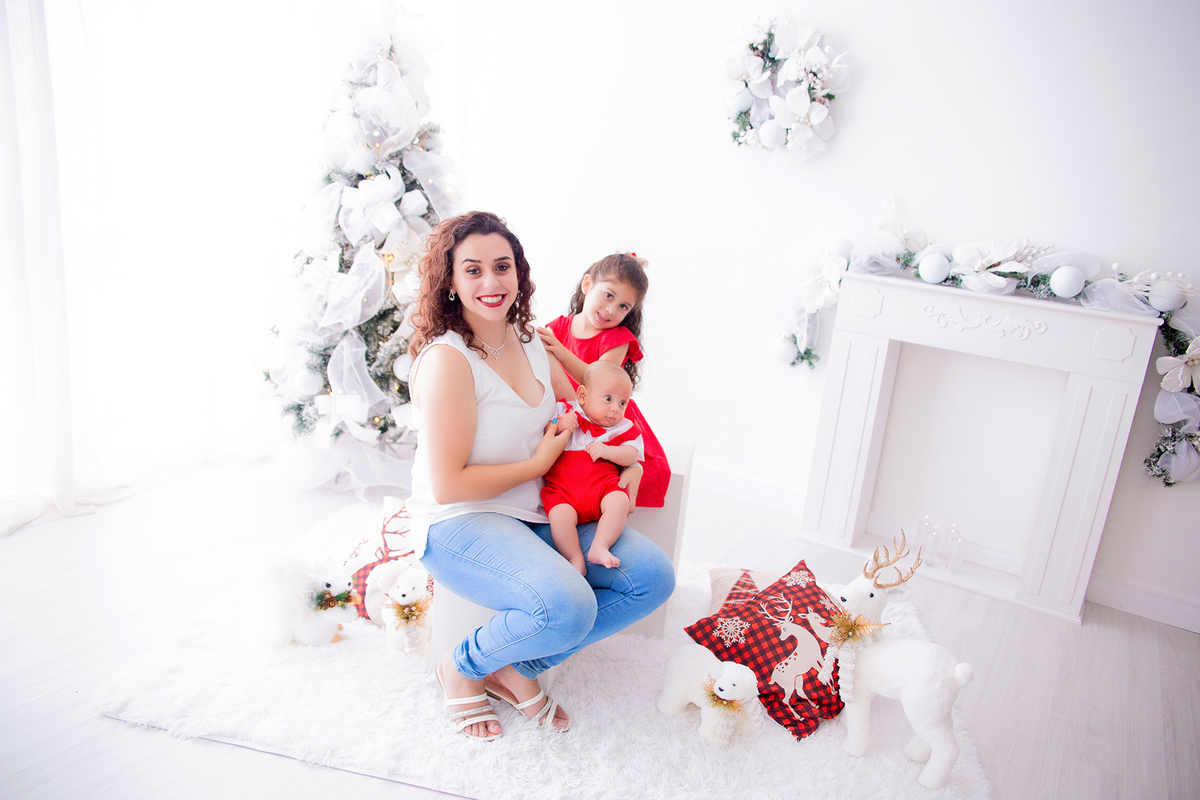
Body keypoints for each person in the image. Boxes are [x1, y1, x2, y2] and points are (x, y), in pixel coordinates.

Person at [404, 212, 675, 742]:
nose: (491, 282)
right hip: (462, 520)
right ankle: (463, 667)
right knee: (569, 607)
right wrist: (537, 464)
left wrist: (626, 457)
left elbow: (583, 405)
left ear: (519, 273)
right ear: (451, 282)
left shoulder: (530, 339)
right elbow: (449, 485)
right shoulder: (448, 361)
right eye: (473, 270)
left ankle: (515, 668)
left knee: (652, 578)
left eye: (502, 267)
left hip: (538, 508)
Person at [536, 252, 671, 508]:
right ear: (588, 285)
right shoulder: (559, 327)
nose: (611, 310)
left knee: (609, 471)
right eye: (609, 295)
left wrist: (562, 354)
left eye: (623, 306)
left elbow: (598, 381)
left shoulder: (617, 339)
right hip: (572, 413)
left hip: (604, 413)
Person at [543, 361, 643, 575]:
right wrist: (560, 424)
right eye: (608, 399)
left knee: (620, 500)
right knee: (559, 516)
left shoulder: (621, 428)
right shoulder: (566, 410)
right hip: (564, 493)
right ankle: (574, 557)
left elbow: (632, 454)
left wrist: (609, 451)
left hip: (602, 490)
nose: (616, 408)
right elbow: (546, 429)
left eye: (623, 403)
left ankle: (600, 546)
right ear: (582, 396)